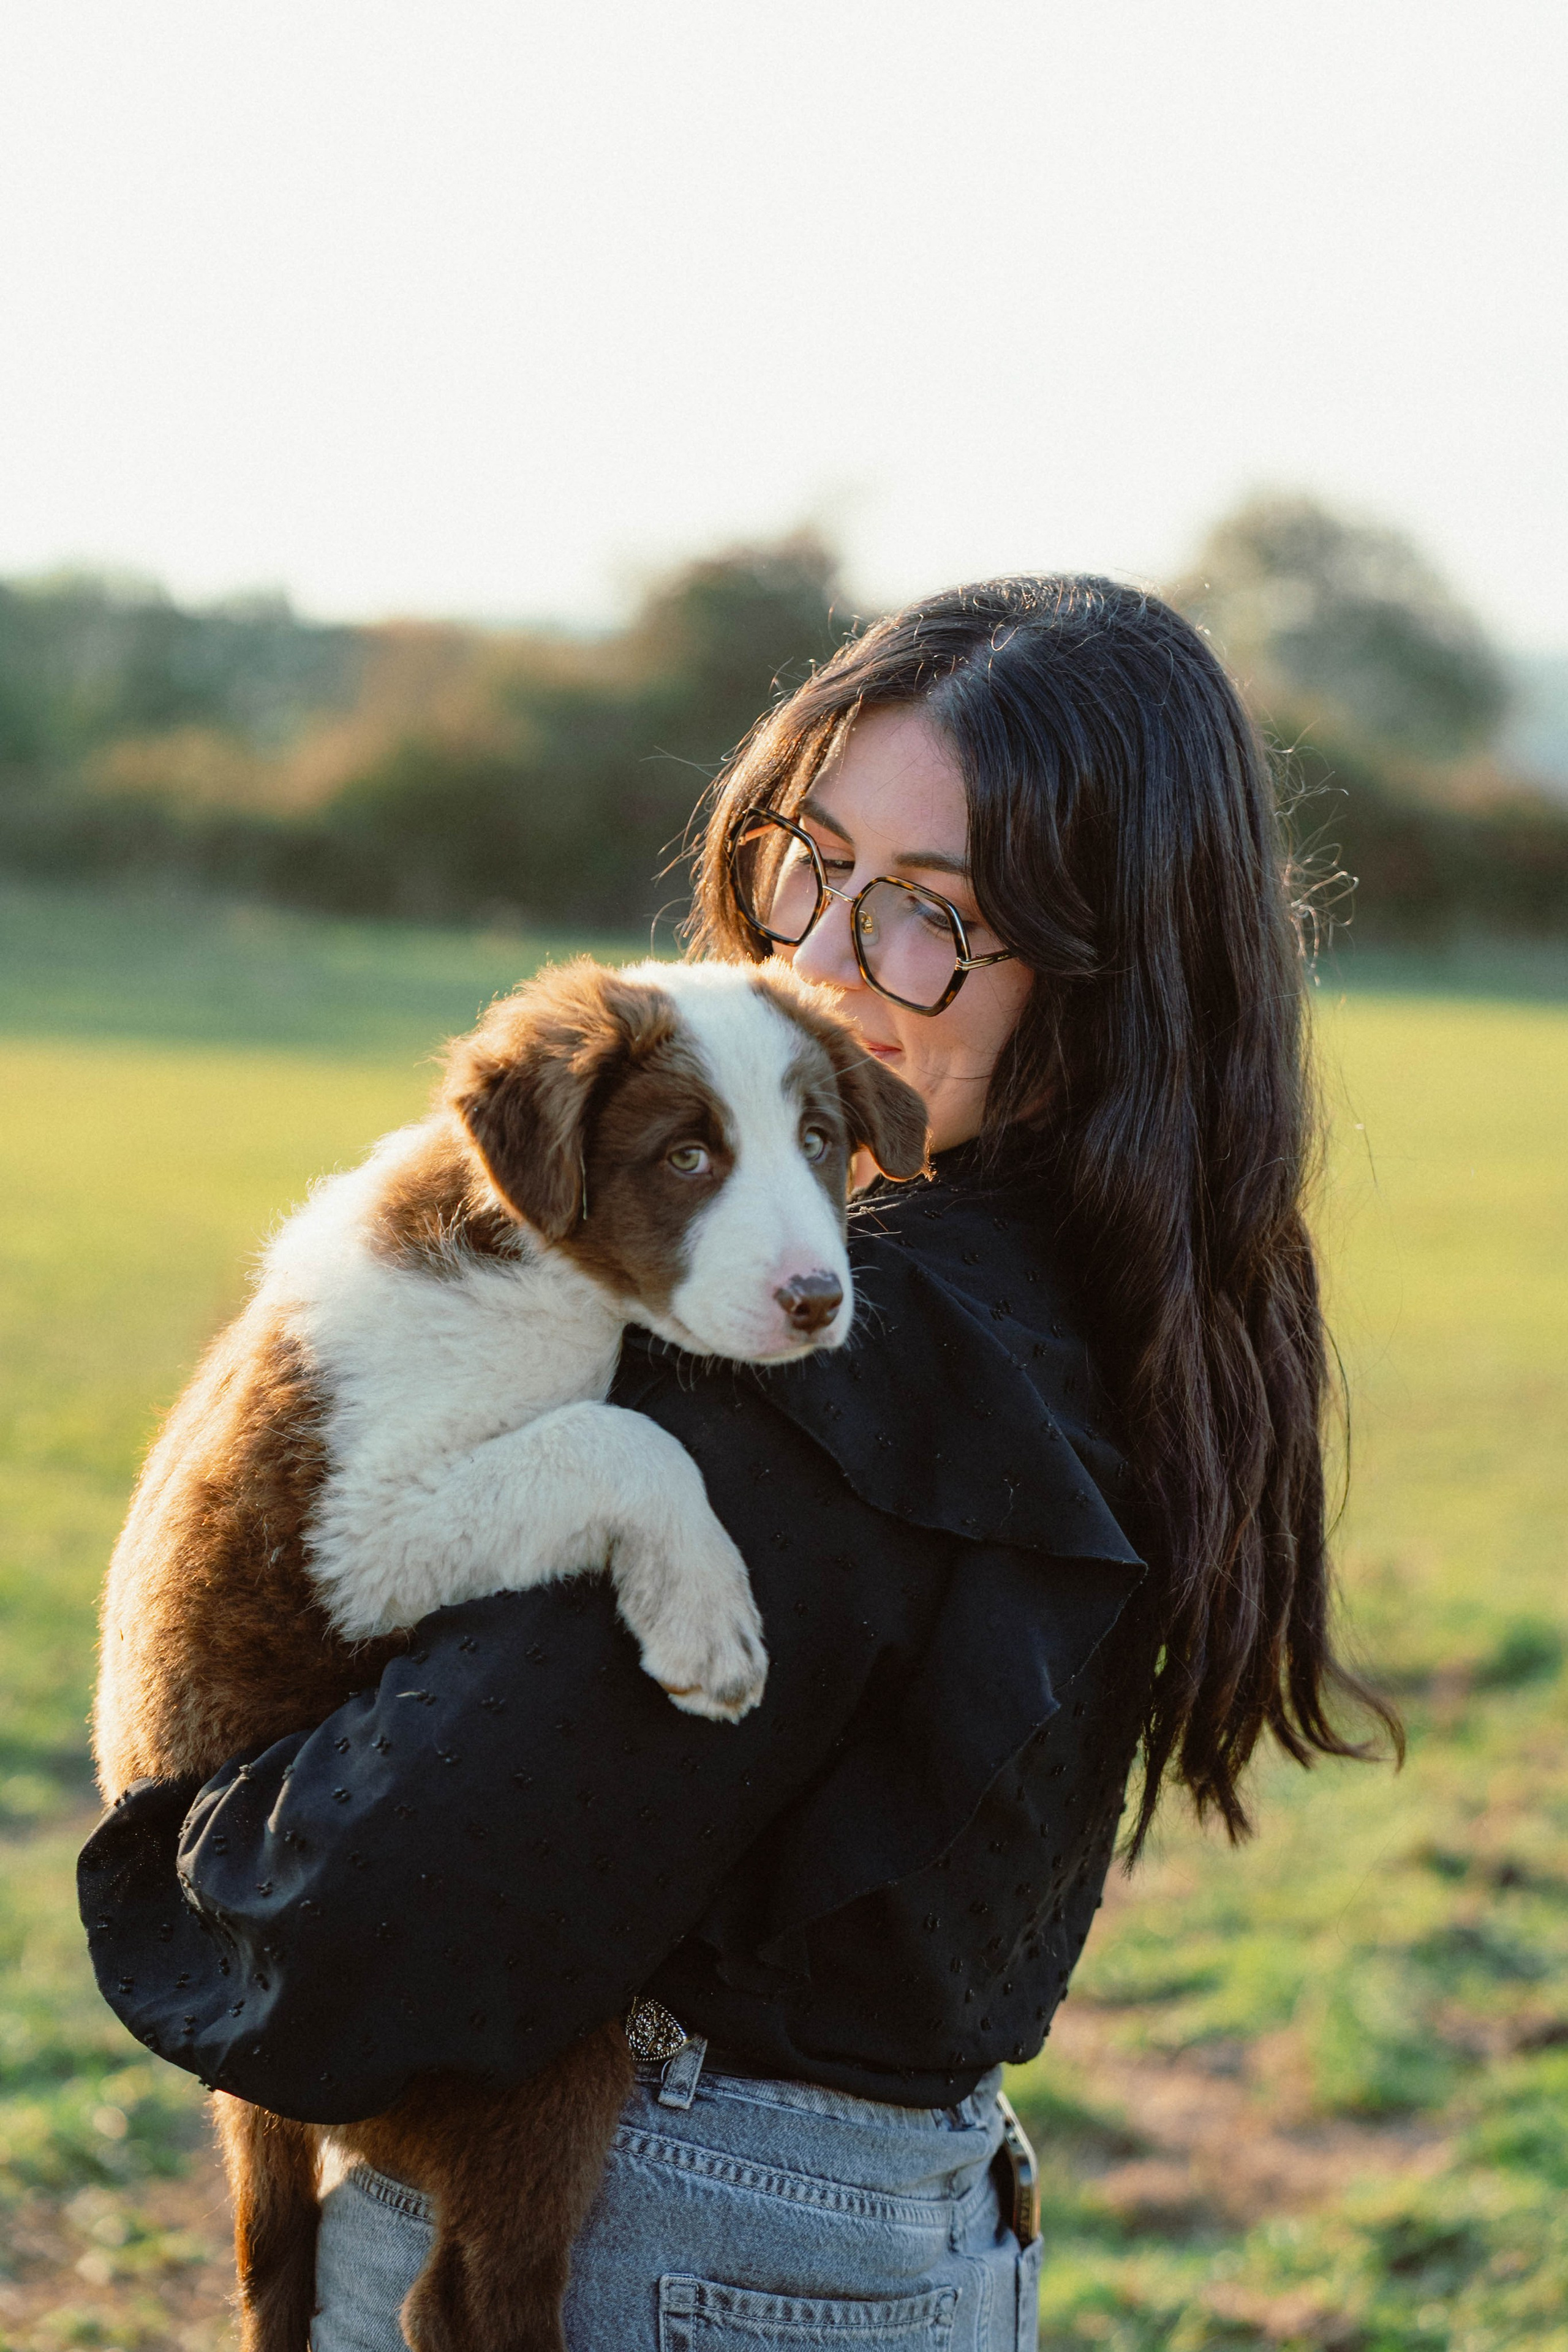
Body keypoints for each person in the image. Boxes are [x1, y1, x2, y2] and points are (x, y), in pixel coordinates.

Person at [81, 576, 1397, 2352]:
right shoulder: (1120, 1292)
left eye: (929, 915)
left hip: (663, 2244)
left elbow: (381, 1938)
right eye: (810, 857)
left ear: (1097, 986)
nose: (824, 958)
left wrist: (211, 1866)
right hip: (892, 2228)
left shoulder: (833, 1370)